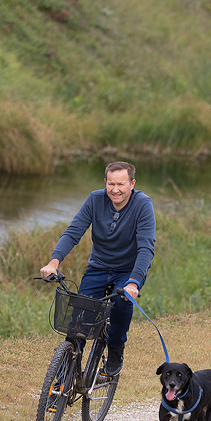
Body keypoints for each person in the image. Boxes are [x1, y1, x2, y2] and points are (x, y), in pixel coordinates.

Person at [40, 161, 156, 376]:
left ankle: (115, 348)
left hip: (127, 271)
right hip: (99, 267)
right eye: (110, 184)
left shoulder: (143, 204)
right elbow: (73, 232)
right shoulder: (95, 199)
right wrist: (53, 262)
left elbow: (146, 248)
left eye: (121, 184)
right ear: (105, 182)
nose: (115, 189)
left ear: (132, 183)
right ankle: (62, 382)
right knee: (78, 325)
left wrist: (134, 282)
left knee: (121, 306)